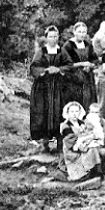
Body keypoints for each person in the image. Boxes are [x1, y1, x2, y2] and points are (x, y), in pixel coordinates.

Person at [30, 25, 73, 153]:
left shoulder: (62, 51)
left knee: (59, 113)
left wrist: (59, 69)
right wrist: (45, 70)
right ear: (46, 37)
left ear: (58, 37)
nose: (53, 39)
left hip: (59, 88)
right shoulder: (41, 51)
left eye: (55, 36)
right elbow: (34, 67)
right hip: (44, 88)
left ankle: (60, 143)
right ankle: (45, 143)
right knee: (43, 113)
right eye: (50, 36)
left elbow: (69, 65)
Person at [59, 101, 105, 182]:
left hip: (84, 146)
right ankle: (91, 173)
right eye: (72, 112)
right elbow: (73, 144)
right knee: (93, 150)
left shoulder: (82, 123)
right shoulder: (65, 126)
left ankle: (98, 171)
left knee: (103, 150)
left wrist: (90, 138)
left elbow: (95, 134)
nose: (74, 114)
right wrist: (89, 139)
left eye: (76, 111)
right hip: (74, 152)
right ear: (67, 113)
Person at [61, 22, 98, 111]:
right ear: (74, 32)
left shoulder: (88, 44)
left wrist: (90, 66)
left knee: (88, 102)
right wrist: (82, 64)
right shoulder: (68, 46)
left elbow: (94, 59)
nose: (82, 34)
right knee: (75, 104)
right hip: (73, 80)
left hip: (87, 79)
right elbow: (66, 64)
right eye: (79, 32)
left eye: (84, 32)